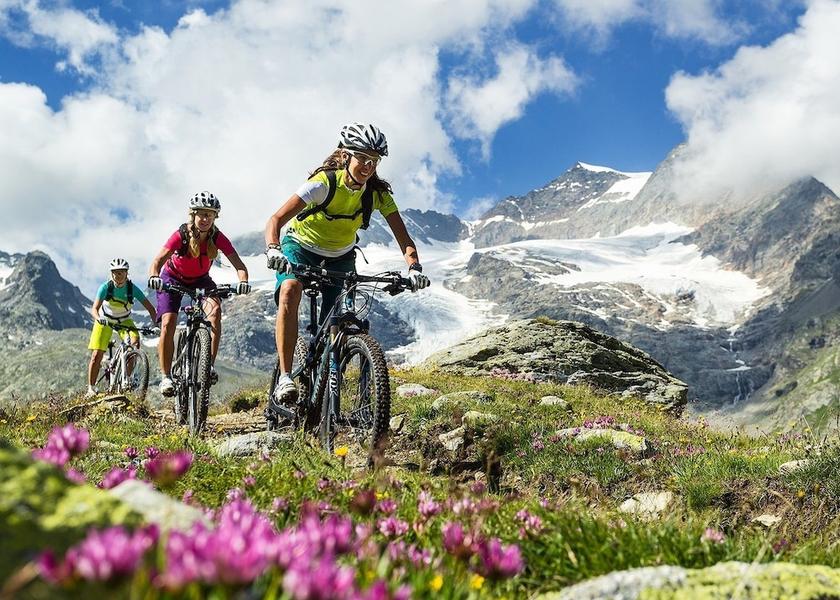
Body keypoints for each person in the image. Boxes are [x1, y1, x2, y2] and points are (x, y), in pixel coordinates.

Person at [264, 122, 430, 414]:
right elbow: (276, 219)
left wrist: (414, 267)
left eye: (374, 161)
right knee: (290, 289)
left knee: (340, 321)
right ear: (347, 155)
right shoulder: (323, 183)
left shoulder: (377, 194)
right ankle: (286, 377)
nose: (368, 165)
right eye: (363, 158)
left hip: (340, 256)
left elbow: (404, 238)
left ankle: (330, 391)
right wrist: (274, 249)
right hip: (300, 247)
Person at [147, 191, 251, 396]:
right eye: (201, 214)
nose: (205, 219)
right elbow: (157, 261)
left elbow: (239, 266)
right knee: (168, 322)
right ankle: (166, 377)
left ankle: (207, 367)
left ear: (215, 217)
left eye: (209, 215)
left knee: (215, 312)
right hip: (172, 278)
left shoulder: (218, 237)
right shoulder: (181, 235)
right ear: (193, 215)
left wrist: (243, 281)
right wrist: (154, 276)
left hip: (201, 281)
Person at [87, 258, 157, 398]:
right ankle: (91, 388)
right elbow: (94, 309)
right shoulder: (105, 287)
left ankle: (127, 379)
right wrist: (98, 318)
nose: (117, 276)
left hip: (124, 321)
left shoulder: (132, 289)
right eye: (114, 273)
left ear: (127, 273)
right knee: (96, 355)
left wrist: (156, 324)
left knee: (135, 341)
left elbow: (151, 309)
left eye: (120, 273)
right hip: (105, 320)